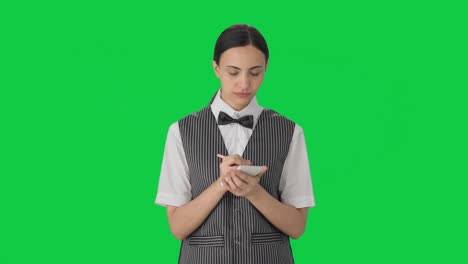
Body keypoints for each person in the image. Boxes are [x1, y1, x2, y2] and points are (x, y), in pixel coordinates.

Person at [155, 24, 316, 264]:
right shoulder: (181, 131)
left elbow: (297, 226)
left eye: (255, 72)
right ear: (216, 68)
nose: (244, 83)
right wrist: (222, 184)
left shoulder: (290, 132)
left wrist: (253, 191)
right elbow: (177, 227)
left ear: (266, 69)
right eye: (233, 72)